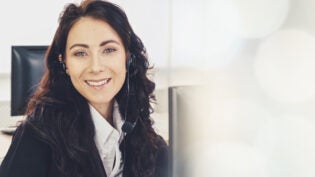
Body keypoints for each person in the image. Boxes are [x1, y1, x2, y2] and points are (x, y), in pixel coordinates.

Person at [0, 0, 168, 177]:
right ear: (64, 64)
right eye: (80, 53)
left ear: (128, 58)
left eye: (109, 50)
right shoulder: (37, 137)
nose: (95, 67)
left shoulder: (143, 135)